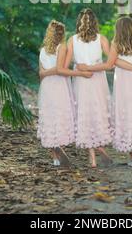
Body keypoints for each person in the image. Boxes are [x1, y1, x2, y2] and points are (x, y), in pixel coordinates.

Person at [77, 16, 132, 168]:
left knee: (127, 118)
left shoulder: (116, 45)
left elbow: (108, 65)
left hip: (124, 89)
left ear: (118, 30)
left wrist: (87, 68)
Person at [38, 20, 92, 167]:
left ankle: (55, 157)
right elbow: (61, 70)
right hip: (58, 86)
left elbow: (41, 74)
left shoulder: (43, 50)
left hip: (46, 86)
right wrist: (80, 73)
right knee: (58, 115)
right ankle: (57, 145)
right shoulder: (61, 48)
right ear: (61, 33)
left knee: (50, 116)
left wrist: (49, 71)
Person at [64, 8, 112, 168]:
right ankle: (100, 146)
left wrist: (81, 67)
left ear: (79, 22)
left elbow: (65, 65)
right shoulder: (102, 39)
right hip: (98, 79)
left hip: (80, 79)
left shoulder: (71, 40)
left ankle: (92, 158)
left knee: (84, 113)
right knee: (97, 112)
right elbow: (111, 63)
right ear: (95, 22)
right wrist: (94, 66)